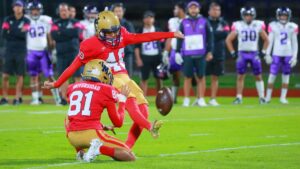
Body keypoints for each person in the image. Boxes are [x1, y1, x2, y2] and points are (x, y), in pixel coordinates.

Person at [44, 10, 184, 148]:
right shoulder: (90, 45)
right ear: (99, 31)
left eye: (115, 31)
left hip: (124, 75)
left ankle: (127, 147)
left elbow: (143, 37)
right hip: (107, 78)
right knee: (130, 99)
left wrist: (171, 34)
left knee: (144, 109)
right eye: (109, 33)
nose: (113, 35)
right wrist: (57, 83)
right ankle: (150, 126)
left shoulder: (122, 34)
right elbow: (73, 66)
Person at [66, 59, 135, 162]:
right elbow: (118, 122)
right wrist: (122, 100)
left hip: (72, 137)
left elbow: (80, 114)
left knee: (67, 117)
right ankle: (99, 149)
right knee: (129, 155)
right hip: (92, 134)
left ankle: (80, 151)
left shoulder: (73, 87)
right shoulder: (106, 90)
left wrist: (102, 126)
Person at [226, 6, 269, 104]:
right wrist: (233, 52)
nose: (248, 17)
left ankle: (262, 97)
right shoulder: (238, 25)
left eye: (250, 15)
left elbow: (267, 39)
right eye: (246, 15)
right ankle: (239, 97)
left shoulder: (258, 24)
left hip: (254, 53)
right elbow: (228, 40)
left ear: (253, 16)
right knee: (240, 76)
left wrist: (263, 52)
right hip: (242, 53)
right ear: (243, 16)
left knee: (258, 76)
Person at [176, 1, 213, 107]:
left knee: (201, 76)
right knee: (187, 77)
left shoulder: (204, 21)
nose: (193, 10)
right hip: (188, 53)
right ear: (188, 10)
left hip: (201, 53)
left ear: (199, 9)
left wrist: (209, 51)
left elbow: (210, 38)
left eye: (195, 8)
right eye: (191, 8)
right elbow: (179, 37)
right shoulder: (183, 22)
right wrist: (178, 51)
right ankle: (186, 99)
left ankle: (201, 98)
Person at [25, 1, 61, 105]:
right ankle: (36, 99)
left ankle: (57, 98)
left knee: (49, 76)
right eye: (33, 10)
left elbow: (49, 37)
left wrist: (53, 50)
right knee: (34, 76)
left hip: (44, 51)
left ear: (40, 11)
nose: (35, 12)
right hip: (31, 51)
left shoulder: (46, 20)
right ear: (29, 11)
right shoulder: (26, 20)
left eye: (37, 10)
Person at [265, 7, 298, 104]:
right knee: (272, 76)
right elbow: (269, 41)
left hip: (288, 54)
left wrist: (294, 56)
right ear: (278, 16)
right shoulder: (273, 25)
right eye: (281, 15)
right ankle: (268, 97)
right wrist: (267, 54)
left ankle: (283, 97)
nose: (283, 17)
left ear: (288, 16)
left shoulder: (293, 26)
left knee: (286, 76)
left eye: (285, 15)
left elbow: (294, 43)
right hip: (276, 54)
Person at [51, 3, 82, 105]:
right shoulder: (55, 23)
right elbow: (55, 36)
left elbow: (76, 33)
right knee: (63, 77)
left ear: (69, 11)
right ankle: (64, 98)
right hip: (61, 54)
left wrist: (61, 33)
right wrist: (68, 33)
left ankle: (79, 99)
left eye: (65, 10)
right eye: (61, 11)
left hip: (74, 53)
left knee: (77, 76)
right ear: (59, 12)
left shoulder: (75, 22)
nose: (63, 12)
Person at [0, 0, 30, 105]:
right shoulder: (8, 19)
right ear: (13, 8)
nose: (17, 8)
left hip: (21, 51)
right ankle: (4, 97)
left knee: (19, 75)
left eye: (19, 6)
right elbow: (4, 34)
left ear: (23, 8)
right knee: (5, 75)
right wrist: (18, 31)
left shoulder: (26, 20)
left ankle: (17, 98)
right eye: (16, 6)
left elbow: (24, 35)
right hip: (9, 50)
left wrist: (12, 31)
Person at [206, 2, 230, 106]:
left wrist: (211, 34)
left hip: (219, 53)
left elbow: (226, 34)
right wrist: (216, 34)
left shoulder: (223, 23)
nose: (216, 12)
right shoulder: (204, 22)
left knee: (215, 77)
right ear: (209, 11)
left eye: (218, 10)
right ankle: (199, 98)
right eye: (214, 10)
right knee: (200, 77)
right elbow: (203, 35)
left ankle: (213, 99)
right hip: (206, 53)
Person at [162, 1, 186, 103]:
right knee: (175, 74)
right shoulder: (172, 21)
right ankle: (174, 98)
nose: (174, 11)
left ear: (181, 9)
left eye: (175, 9)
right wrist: (166, 52)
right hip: (175, 50)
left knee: (192, 75)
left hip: (187, 50)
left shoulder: (189, 20)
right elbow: (169, 37)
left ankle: (197, 98)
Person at [135, 11, 163, 94]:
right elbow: (136, 47)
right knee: (144, 78)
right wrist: (138, 58)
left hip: (157, 56)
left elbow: (163, 43)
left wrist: (164, 54)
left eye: (150, 17)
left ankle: (159, 97)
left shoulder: (158, 30)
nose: (148, 19)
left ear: (153, 19)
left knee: (159, 77)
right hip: (145, 56)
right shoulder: (140, 31)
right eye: (146, 17)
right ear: (143, 19)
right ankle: (143, 99)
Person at [111, 3, 135, 77]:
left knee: (128, 76)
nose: (118, 13)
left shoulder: (128, 24)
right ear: (112, 12)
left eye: (120, 11)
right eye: (116, 11)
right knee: (112, 77)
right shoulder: (109, 24)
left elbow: (132, 39)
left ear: (123, 12)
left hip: (126, 54)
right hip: (112, 55)